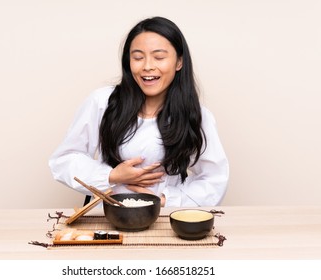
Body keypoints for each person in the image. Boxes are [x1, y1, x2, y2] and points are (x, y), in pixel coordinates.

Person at [49, 16, 229, 207]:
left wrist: (166, 201)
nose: (147, 66)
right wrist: (111, 175)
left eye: (159, 57)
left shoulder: (196, 116)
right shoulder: (102, 102)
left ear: (179, 62)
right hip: (109, 221)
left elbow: (215, 178)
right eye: (138, 57)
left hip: (164, 223)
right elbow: (64, 160)